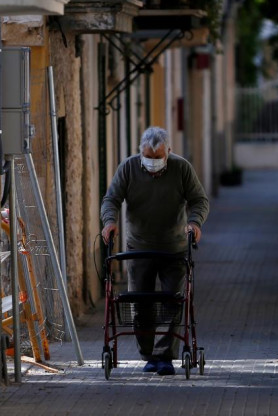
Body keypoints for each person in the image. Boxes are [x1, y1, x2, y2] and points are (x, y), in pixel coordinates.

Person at [101, 126, 209, 376]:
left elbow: (199, 200)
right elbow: (111, 198)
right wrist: (110, 221)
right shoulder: (128, 168)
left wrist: (194, 222)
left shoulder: (181, 169)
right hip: (138, 247)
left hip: (174, 248)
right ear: (140, 152)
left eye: (157, 157)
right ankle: (149, 355)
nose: (151, 162)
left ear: (168, 152)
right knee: (141, 303)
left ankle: (165, 356)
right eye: (147, 157)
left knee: (173, 301)